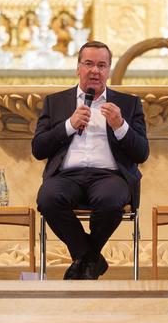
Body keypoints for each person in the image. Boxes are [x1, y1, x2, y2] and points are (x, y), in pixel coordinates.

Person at [32, 40, 149, 280]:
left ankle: (84, 261)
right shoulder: (56, 102)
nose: (95, 71)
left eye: (101, 65)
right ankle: (91, 258)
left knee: (111, 200)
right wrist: (69, 125)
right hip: (67, 175)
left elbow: (142, 153)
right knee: (48, 198)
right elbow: (38, 148)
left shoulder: (128, 104)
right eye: (88, 64)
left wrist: (120, 125)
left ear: (108, 71)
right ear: (78, 67)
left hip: (109, 176)